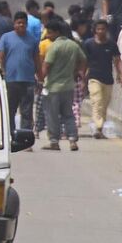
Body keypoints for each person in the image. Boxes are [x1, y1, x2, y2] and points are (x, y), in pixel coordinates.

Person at [39, 20, 87, 151]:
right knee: (68, 114)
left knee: (52, 115)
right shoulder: (74, 45)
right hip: (69, 87)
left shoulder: (54, 47)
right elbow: (83, 59)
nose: (47, 35)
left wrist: (40, 80)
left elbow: (46, 65)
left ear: (57, 32)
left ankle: (54, 141)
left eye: (49, 32)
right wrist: (79, 72)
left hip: (53, 87)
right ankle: (72, 140)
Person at [0, 12, 38, 131]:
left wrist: (39, 76)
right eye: (18, 23)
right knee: (10, 110)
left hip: (28, 81)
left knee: (27, 112)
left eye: (23, 23)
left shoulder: (32, 39)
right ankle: (10, 136)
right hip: (11, 80)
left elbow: (36, 59)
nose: (21, 25)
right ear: (14, 24)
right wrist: (2, 72)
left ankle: (26, 139)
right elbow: (1, 57)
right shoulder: (6, 37)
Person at [82, 21, 122, 140]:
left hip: (108, 79)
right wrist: (83, 79)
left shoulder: (111, 45)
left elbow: (117, 60)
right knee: (97, 102)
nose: (101, 31)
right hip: (94, 78)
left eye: (103, 29)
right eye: (98, 29)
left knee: (104, 105)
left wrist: (121, 74)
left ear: (106, 30)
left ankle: (99, 129)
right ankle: (98, 126)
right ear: (95, 30)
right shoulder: (88, 44)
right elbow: (84, 62)